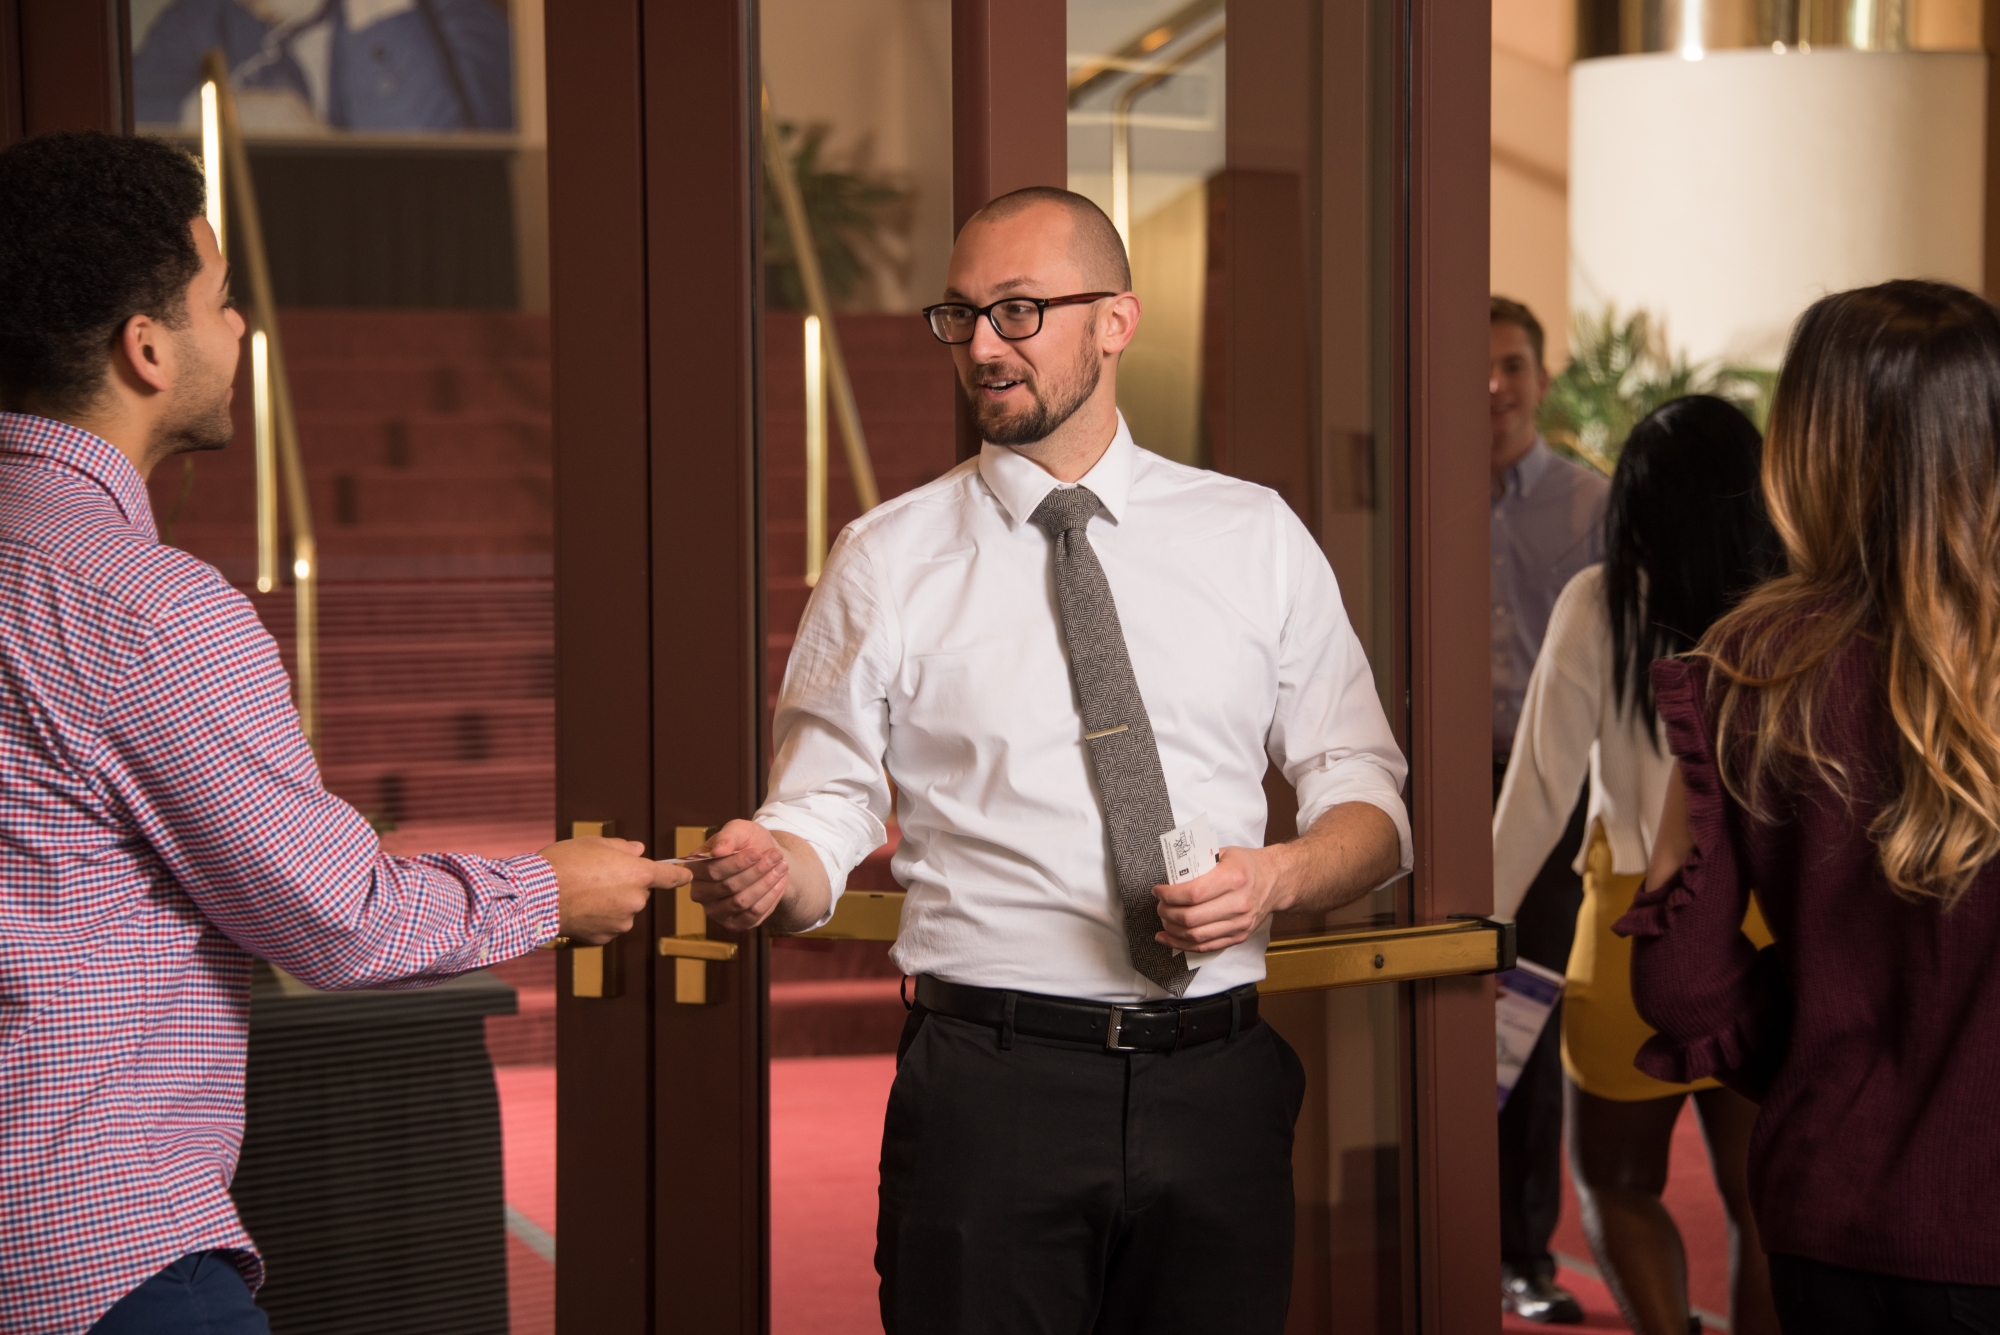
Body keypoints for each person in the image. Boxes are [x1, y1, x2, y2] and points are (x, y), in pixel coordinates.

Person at [690, 186, 1410, 1333]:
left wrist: (1271, 878)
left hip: (1217, 1086)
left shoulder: (1254, 535)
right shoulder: (884, 557)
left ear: (1114, 321)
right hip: (990, 1093)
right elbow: (821, 808)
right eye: (961, 315)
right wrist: (777, 867)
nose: (981, 346)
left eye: (1018, 311)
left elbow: (1367, 801)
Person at [0, 131, 682, 1334]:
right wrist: (552, 889)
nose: (243, 330)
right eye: (221, 302)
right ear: (145, 351)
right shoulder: (144, 611)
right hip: (95, 1260)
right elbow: (336, 920)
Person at [1621, 280, 2000, 1334]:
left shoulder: (1747, 664)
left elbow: (1681, 980)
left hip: (1832, 1207)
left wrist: (1826, 1058)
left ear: (1808, 441)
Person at [1494, 396, 1783, 1335]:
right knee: (1760, 1204)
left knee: (1617, 1184)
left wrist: (1477, 931)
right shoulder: (1792, 610)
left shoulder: (1602, 601)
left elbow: (1539, 789)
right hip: (1766, 930)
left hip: (1632, 932)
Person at [1490, 294, 1610, 1323]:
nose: (1492, 385)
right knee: (1450, 1016)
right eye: (1475, 366)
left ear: (1539, 378)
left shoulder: (1590, 504)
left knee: (1523, 1018)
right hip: (1433, 792)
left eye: (1512, 366)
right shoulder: (1412, 493)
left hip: (1556, 792)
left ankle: (1520, 1253)